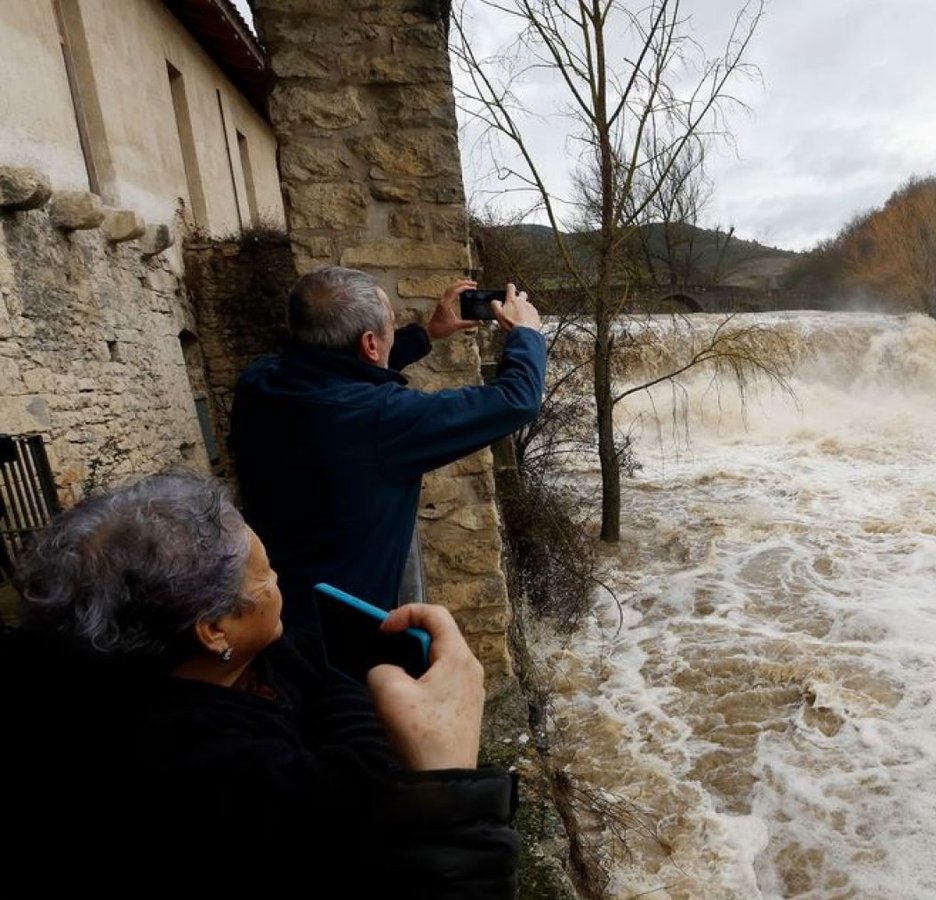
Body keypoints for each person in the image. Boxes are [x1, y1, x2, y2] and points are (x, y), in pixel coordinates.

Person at [0, 473, 517, 898]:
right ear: (214, 629)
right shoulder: (211, 779)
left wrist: (341, 687)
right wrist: (448, 769)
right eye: (264, 578)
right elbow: (390, 836)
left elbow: (309, 671)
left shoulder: (206, 660)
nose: (278, 585)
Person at [229, 267, 545, 662]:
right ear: (369, 343)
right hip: (342, 638)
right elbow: (517, 400)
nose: (392, 333)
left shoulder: (257, 382)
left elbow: (339, 367)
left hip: (269, 613)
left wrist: (427, 334)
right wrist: (526, 334)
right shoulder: (379, 420)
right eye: (390, 327)